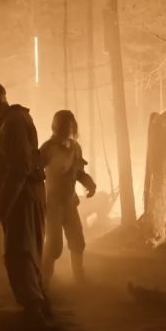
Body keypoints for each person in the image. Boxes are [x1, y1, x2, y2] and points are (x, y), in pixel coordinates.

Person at [0, 81, 53, 324]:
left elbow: (20, 167)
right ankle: (36, 305)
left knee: (19, 253)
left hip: (22, 197)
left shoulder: (13, 123)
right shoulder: (11, 121)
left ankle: (34, 309)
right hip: (24, 195)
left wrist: (6, 203)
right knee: (25, 251)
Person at [39, 110, 97, 284]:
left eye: (71, 124)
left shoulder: (75, 148)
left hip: (69, 201)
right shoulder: (48, 148)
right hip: (52, 203)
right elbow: (34, 171)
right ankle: (44, 280)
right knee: (54, 246)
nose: (69, 128)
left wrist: (89, 183)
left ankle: (79, 277)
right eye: (65, 124)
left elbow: (77, 171)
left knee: (77, 241)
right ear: (57, 126)